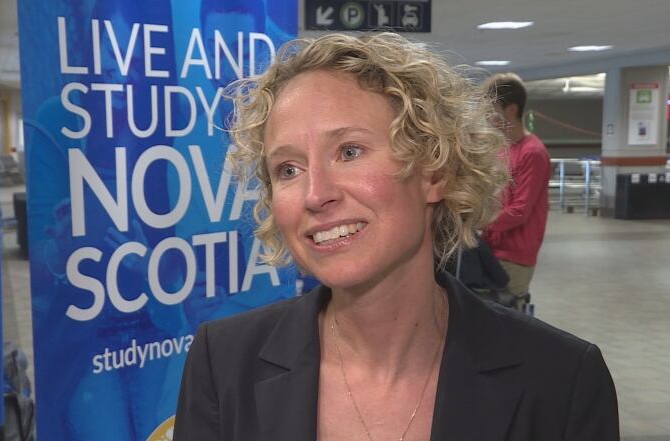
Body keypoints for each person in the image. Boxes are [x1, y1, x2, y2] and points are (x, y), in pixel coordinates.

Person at [173, 33, 618, 441]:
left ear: (435, 171)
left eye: (349, 152)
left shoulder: (562, 380)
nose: (315, 194)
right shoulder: (223, 363)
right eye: (287, 170)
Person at [483, 73, 552, 310]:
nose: (488, 118)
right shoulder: (503, 149)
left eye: (492, 111)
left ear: (511, 110)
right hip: (492, 248)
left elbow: (520, 210)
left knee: (507, 313)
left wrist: (479, 223)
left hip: (515, 255)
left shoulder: (532, 153)